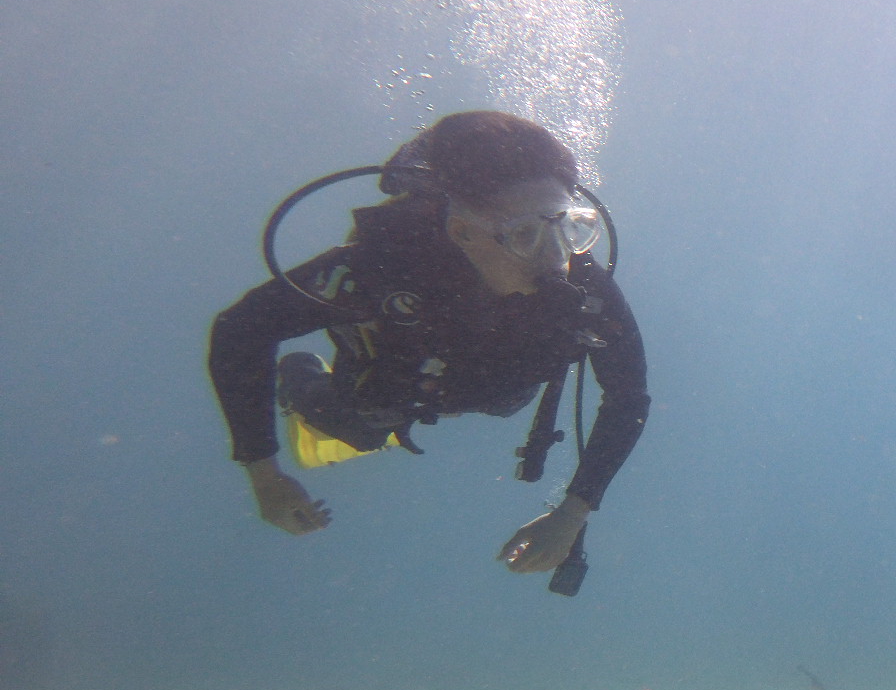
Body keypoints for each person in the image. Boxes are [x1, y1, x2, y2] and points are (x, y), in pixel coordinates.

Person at [208, 111, 649, 578]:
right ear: (463, 233)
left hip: (492, 382)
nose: (556, 257)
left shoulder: (583, 281)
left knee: (506, 397)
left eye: (570, 227)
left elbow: (628, 396)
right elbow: (240, 329)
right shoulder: (383, 265)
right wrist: (264, 476)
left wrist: (572, 515)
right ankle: (299, 377)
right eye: (526, 234)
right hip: (397, 377)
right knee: (362, 427)